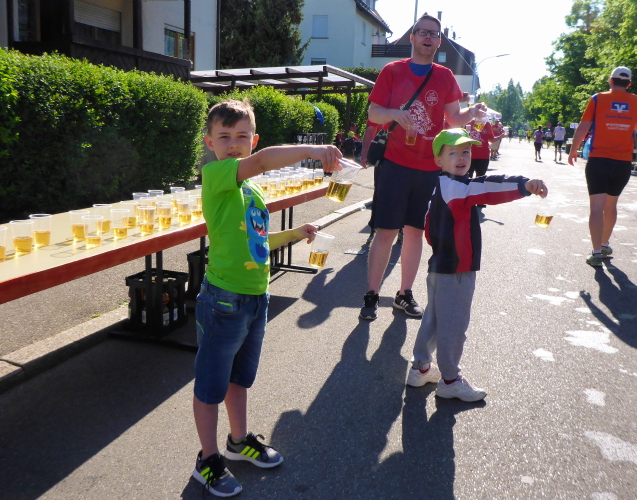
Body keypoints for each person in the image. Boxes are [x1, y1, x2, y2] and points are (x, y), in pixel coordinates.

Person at [193, 99, 341, 497]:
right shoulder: (216, 175)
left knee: (239, 379)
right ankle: (208, 460)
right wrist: (315, 150)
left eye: (242, 136)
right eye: (225, 136)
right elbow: (260, 162)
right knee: (210, 386)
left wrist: (295, 234)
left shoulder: (252, 190)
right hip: (223, 299)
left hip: (257, 298)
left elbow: (258, 241)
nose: (234, 144)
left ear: (253, 139)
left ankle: (238, 441)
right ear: (210, 142)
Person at [406, 128, 547, 401]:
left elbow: (429, 224)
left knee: (434, 320)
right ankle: (450, 380)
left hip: (439, 264)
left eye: (466, 151)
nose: (461, 157)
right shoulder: (457, 188)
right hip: (457, 268)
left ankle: (420, 368)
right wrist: (524, 185)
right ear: (438, 160)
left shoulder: (440, 184)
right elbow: (487, 187)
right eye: (453, 153)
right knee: (454, 326)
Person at [360, 14, 485, 321]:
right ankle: (372, 295)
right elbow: (373, 113)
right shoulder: (392, 71)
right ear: (413, 37)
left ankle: (404, 294)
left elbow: (454, 119)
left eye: (434, 34)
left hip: (430, 168)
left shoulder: (445, 76)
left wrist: (473, 112)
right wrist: (394, 113)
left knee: (416, 233)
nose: (428, 37)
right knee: (386, 232)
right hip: (395, 164)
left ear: (439, 42)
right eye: (423, 32)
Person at [568, 66, 637, 267]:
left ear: (611, 81)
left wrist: (573, 150)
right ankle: (604, 245)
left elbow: (583, 127)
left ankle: (596, 254)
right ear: (629, 84)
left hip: (599, 160)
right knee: (611, 205)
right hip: (623, 162)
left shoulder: (597, 99)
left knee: (596, 208)